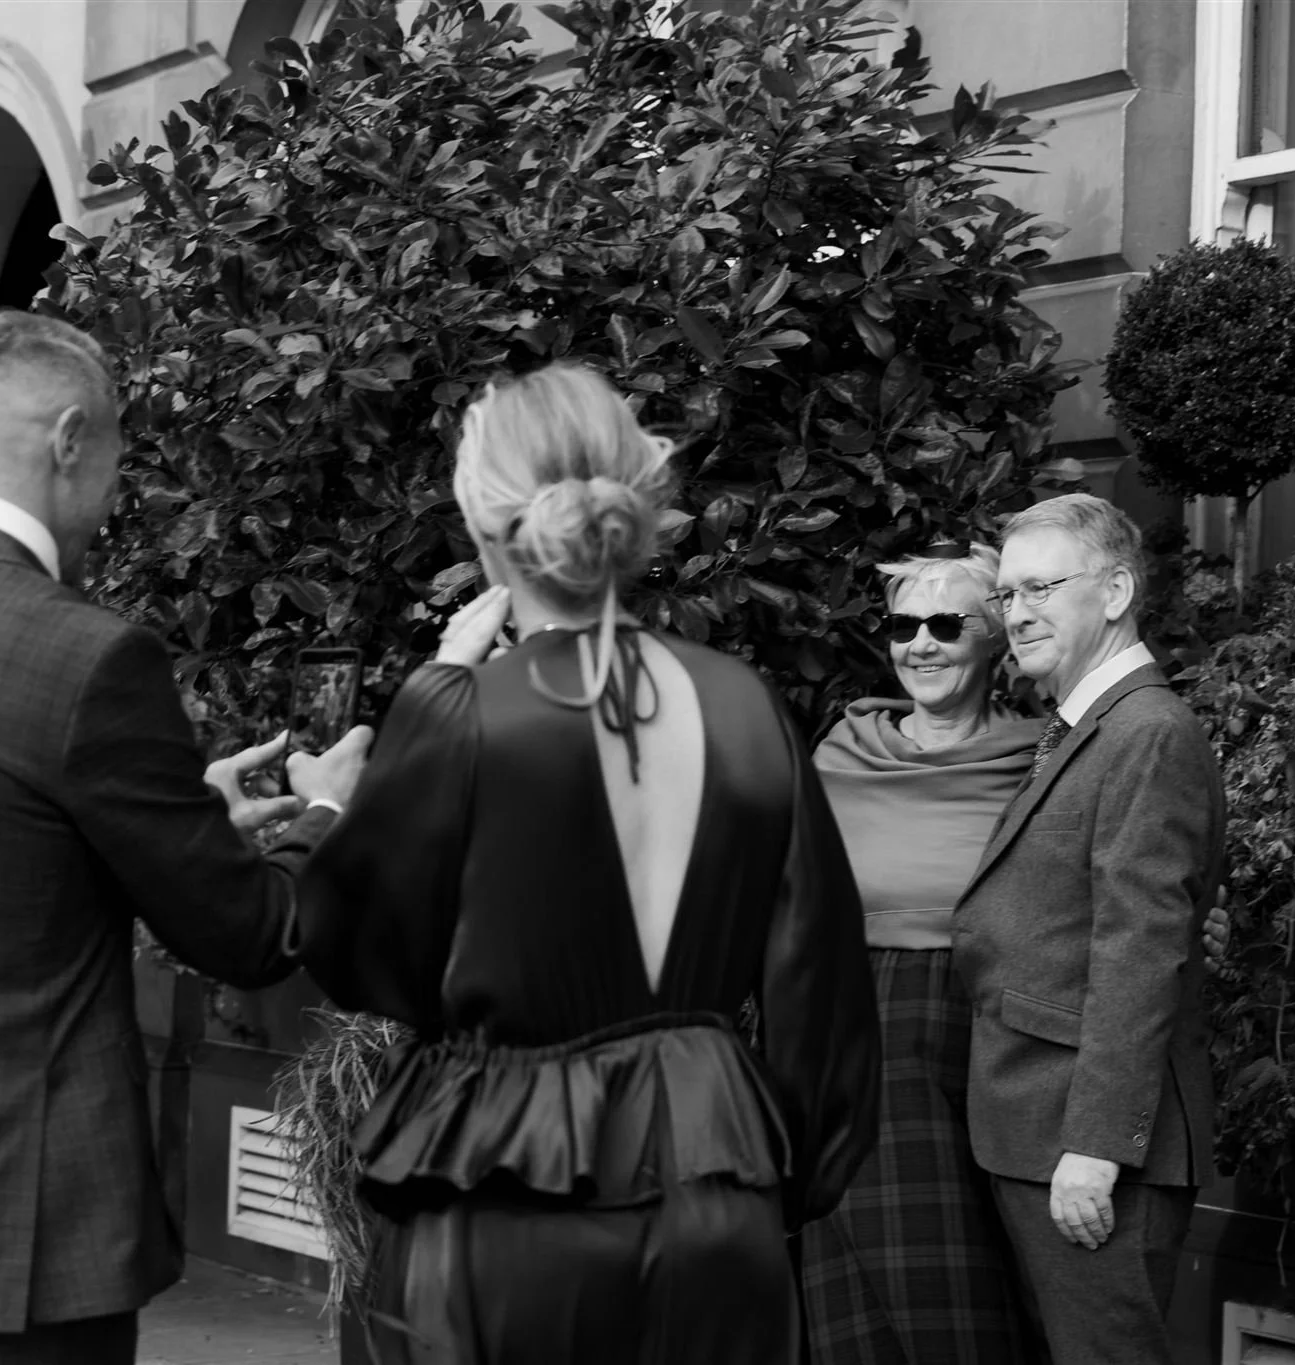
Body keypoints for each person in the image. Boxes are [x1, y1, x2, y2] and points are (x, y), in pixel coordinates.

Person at [0, 310, 371, 1364]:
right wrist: (325, 815)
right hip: (23, 1245)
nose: (114, 491)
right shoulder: (90, 659)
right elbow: (244, 936)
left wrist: (182, 819)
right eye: (114, 452)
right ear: (69, 439)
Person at [293, 360, 881, 1365]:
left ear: (484, 527)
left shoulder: (464, 715)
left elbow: (361, 958)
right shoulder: (744, 704)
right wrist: (784, 1179)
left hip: (515, 1190)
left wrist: (335, 804)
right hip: (717, 1191)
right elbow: (818, 988)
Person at [951, 493, 1224, 1364]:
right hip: (1035, 1126)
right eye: (1006, 594)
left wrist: (1097, 1148)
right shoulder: (1088, 726)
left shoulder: (1147, 731)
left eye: (1039, 587)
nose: (1017, 613)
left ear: (1114, 593)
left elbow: (1139, 952)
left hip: (1087, 1147)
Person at [798, 545, 1051, 1365]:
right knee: (850, 1261)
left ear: (995, 641)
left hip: (989, 1026)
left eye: (948, 623)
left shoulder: (1042, 758)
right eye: (905, 625)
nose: (923, 643)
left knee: (977, 1269)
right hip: (851, 1027)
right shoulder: (840, 753)